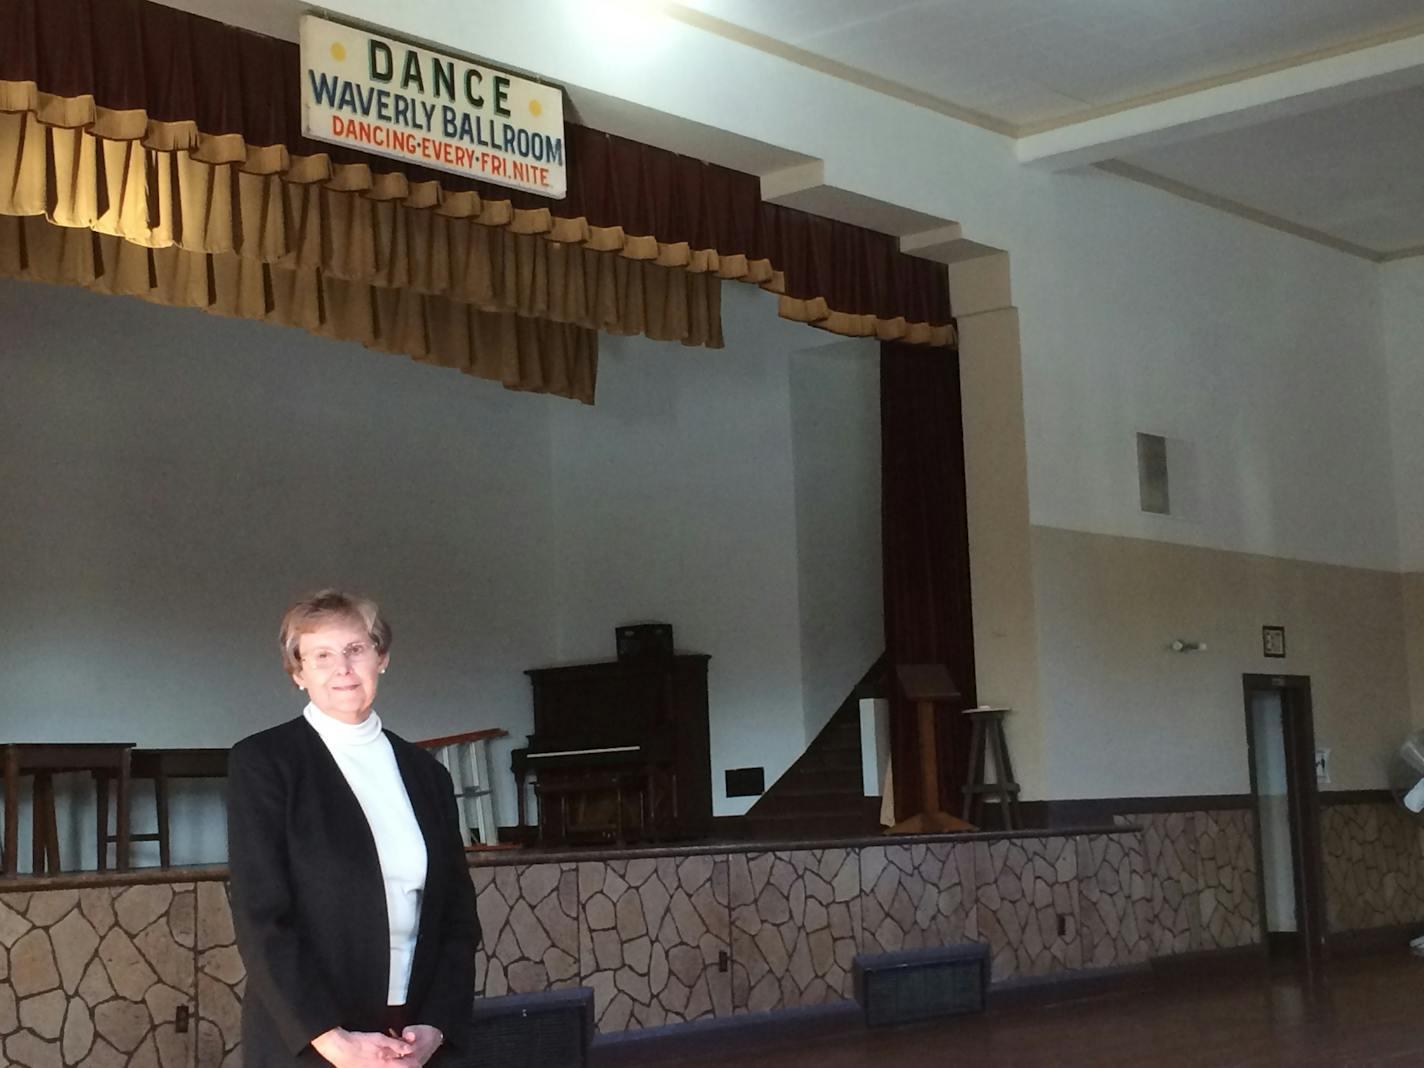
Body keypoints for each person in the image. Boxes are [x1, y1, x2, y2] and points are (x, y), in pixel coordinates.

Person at [228, 590, 480, 1067]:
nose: (341, 668)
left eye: (356, 650)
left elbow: (458, 918)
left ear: (381, 658)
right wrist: (333, 1040)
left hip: (415, 1042)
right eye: (321, 655)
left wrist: (436, 1027)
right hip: (312, 1040)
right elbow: (262, 920)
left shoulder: (427, 775)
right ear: (298, 673)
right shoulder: (265, 763)